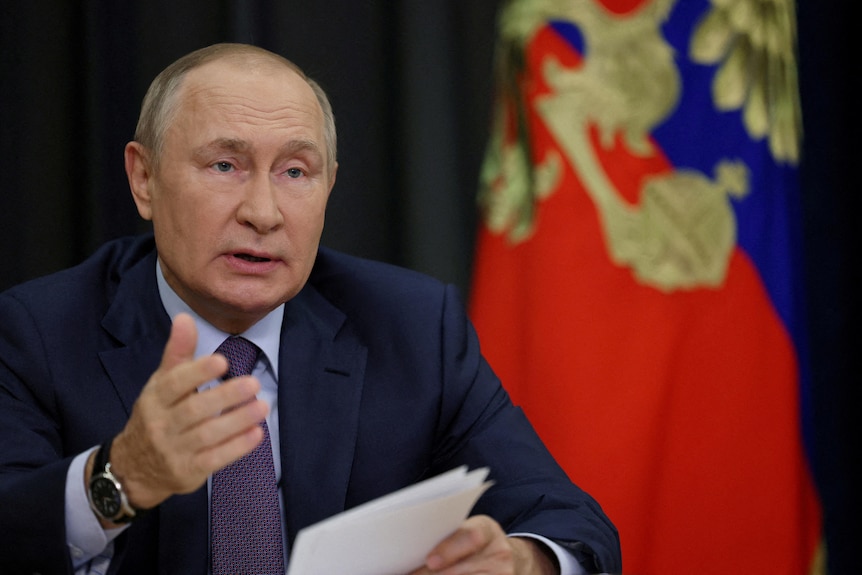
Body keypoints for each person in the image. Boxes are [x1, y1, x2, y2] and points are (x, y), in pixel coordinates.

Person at [0, 43, 621, 575]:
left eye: (296, 172)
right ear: (144, 179)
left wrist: (521, 560)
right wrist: (120, 478)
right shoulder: (37, 332)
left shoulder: (410, 325)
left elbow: (569, 521)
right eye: (225, 165)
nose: (264, 213)